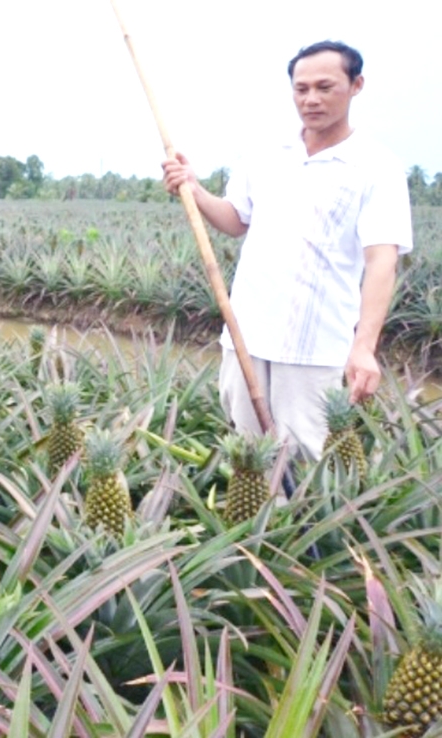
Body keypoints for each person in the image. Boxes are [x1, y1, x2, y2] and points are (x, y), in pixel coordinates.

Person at [162, 40, 413, 459]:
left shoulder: (376, 166)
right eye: (301, 89)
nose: (310, 99)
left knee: (308, 455)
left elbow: (381, 260)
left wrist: (364, 346)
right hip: (246, 334)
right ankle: (259, 523)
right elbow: (235, 220)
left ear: (356, 86)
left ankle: (305, 523)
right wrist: (194, 188)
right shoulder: (265, 154)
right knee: (248, 455)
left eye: (324, 87)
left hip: (316, 346)